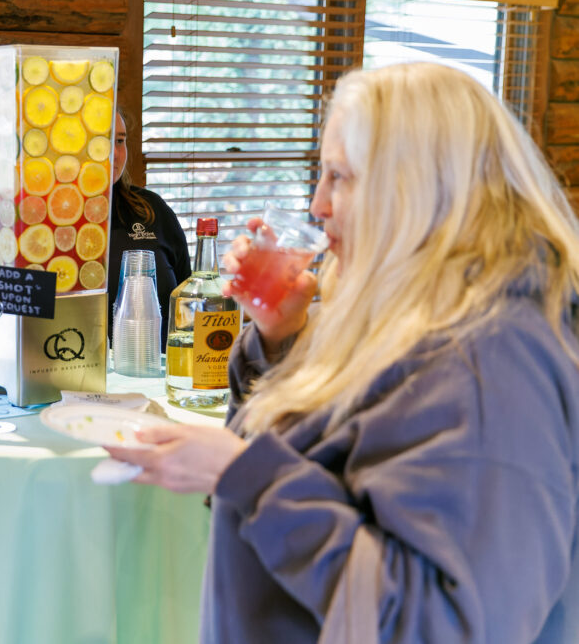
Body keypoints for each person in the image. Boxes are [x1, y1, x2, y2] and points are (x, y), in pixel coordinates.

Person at [107, 62, 579, 643]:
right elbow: (334, 476)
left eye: (339, 176)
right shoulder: (415, 317)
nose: (316, 204)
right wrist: (280, 342)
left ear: (417, 188)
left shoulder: (494, 364)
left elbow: (440, 625)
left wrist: (242, 475)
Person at [107, 110, 190, 343]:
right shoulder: (50, 222)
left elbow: (187, 299)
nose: (114, 153)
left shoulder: (151, 209)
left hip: (157, 371)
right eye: (101, 141)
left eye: (120, 141)